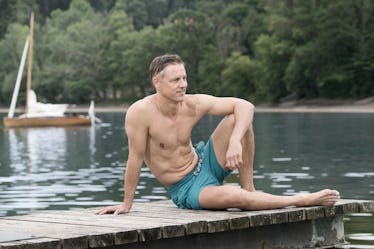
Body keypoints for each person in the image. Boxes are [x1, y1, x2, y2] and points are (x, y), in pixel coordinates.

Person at [96, 54, 340, 215]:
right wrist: (126, 204)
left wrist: (234, 141)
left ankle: (250, 188)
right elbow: (135, 158)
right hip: (186, 187)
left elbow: (245, 106)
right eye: (175, 80)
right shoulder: (140, 113)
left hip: (204, 162)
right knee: (235, 197)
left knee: (238, 119)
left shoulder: (193, 103)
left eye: (184, 78)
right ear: (156, 82)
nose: (182, 84)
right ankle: (301, 200)